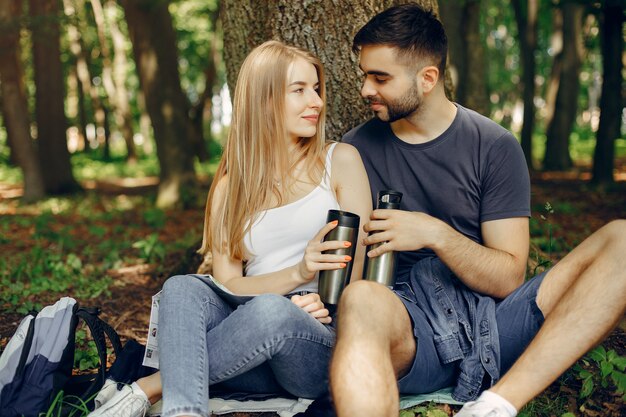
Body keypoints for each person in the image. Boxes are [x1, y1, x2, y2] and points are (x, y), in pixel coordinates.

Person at [329, 4, 626, 417]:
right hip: (411, 327)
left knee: (622, 240)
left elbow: (508, 277)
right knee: (361, 297)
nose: (365, 89)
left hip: (494, 319)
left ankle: (495, 406)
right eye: (365, 75)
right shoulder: (355, 149)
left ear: (428, 78)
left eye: (380, 78)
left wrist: (434, 233)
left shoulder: (494, 145)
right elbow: (350, 267)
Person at [90, 40, 372, 417]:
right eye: (300, 90)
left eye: (317, 89)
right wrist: (298, 273)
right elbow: (230, 285)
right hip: (241, 355)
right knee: (181, 287)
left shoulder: (340, 162)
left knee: (273, 312)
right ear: (264, 100)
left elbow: (361, 271)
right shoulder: (230, 187)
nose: (317, 102)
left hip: (315, 344)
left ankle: (149, 388)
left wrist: (319, 300)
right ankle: (184, 412)